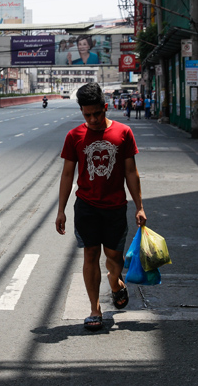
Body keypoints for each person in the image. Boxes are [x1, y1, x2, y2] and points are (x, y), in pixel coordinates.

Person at [55, 82, 146, 332]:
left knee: (114, 258)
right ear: (82, 112)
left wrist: (139, 206)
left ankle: (115, 282)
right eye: (87, 115)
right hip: (86, 206)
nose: (93, 119)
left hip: (116, 206)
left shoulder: (123, 132)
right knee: (91, 254)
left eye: (97, 113)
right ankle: (95, 309)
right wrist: (61, 210)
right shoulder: (74, 136)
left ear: (105, 108)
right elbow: (67, 175)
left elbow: (131, 171)